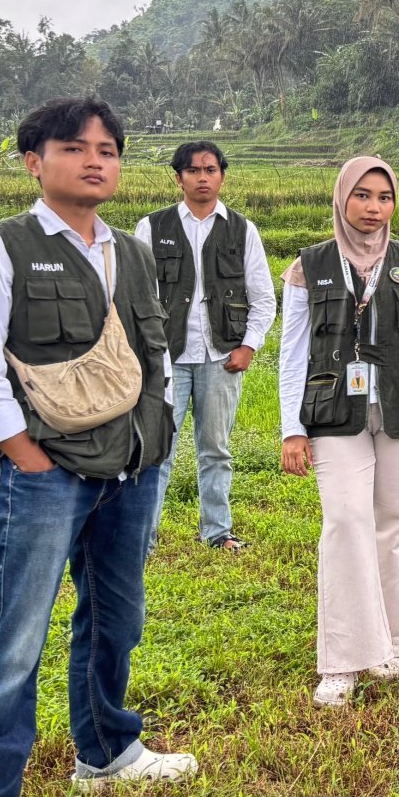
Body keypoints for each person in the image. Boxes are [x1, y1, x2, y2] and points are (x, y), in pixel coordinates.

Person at [0, 97, 195, 796]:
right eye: (76, 147)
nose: (95, 160)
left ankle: (107, 754)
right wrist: (27, 457)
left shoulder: (135, 255)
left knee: (117, 619)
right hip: (47, 476)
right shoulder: (0, 249)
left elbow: (157, 361)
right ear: (35, 162)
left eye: (108, 149)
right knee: (14, 643)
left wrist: (159, 446)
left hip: (135, 471)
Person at [277, 156, 399, 708]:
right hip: (334, 410)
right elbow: (291, 356)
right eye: (362, 195)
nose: (373, 207)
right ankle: (341, 659)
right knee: (347, 521)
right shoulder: (308, 267)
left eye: (384, 196)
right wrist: (292, 429)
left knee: (396, 523)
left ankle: (388, 643)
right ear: (341, 198)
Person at [134, 140, 276, 552]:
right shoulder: (152, 227)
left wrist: (248, 346)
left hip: (222, 357)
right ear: (178, 178)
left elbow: (264, 297)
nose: (203, 178)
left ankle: (218, 532)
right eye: (194, 170)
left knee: (216, 449)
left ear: (222, 177)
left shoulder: (241, 229)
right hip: (167, 357)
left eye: (211, 170)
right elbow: (135, 296)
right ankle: (144, 537)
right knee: (157, 449)